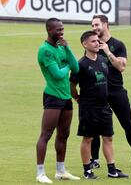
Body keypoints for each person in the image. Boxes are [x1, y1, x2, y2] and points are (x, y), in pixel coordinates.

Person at [70, 31, 129, 179]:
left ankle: (112, 170)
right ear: (84, 44)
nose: (97, 43)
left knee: (108, 137)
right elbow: (72, 85)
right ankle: (87, 170)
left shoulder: (103, 60)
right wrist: (77, 98)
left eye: (97, 41)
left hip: (104, 106)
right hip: (88, 107)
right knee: (88, 138)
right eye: (93, 41)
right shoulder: (80, 64)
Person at [36, 18, 80, 183]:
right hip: (53, 96)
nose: (61, 33)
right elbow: (58, 74)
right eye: (58, 30)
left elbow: (76, 68)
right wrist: (67, 66)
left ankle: (60, 171)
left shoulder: (62, 47)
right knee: (46, 134)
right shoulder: (45, 50)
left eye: (62, 29)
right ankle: (40, 173)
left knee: (64, 134)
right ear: (49, 30)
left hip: (66, 97)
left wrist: (68, 48)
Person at [90, 14, 131, 168]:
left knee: (127, 125)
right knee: (95, 128)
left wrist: (108, 52)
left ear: (106, 24)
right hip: (98, 93)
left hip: (116, 91)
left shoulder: (118, 44)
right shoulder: (92, 45)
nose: (94, 28)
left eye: (97, 25)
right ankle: (94, 160)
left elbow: (121, 67)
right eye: (92, 26)